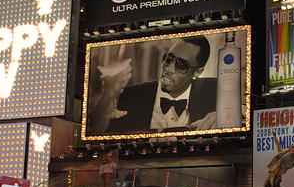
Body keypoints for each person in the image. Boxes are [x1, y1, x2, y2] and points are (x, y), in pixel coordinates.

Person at [88, 36, 217, 135]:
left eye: (181, 65)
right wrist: (107, 93)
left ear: (198, 72)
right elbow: (94, 130)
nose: (169, 69)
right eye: (169, 59)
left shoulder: (216, 91)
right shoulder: (130, 95)